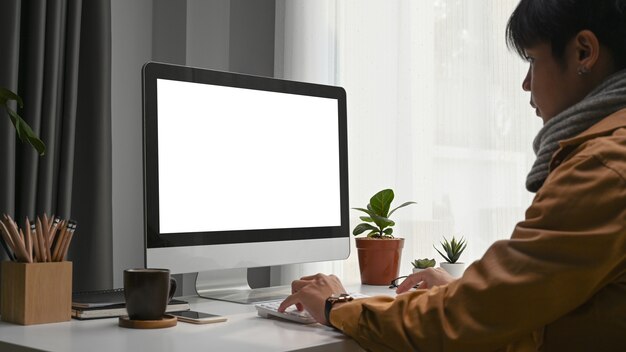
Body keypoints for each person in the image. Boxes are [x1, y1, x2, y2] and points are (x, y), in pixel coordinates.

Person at [278, 0, 626, 350]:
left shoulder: (603, 166)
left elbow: (461, 321)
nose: (525, 84)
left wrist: (338, 305)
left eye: (532, 61)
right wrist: (469, 292)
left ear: (584, 52)